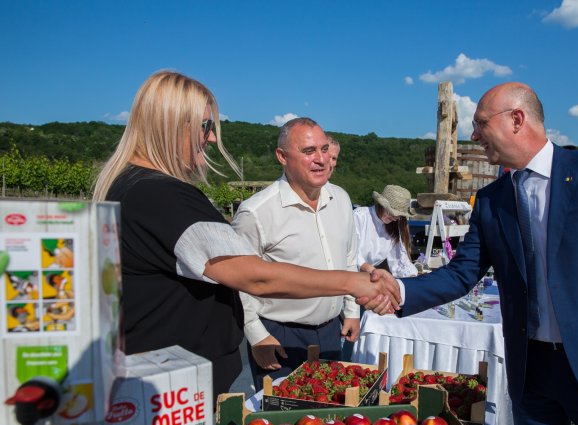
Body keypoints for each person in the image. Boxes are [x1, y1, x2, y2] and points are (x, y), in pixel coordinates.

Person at [364, 82, 578, 425]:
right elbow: (462, 273)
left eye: (479, 124)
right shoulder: (492, 200)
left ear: (516, 119)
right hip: (532, 372)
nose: (472, 135)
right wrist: (399, 289)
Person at [92, 72, 397, 401]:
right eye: (206, 127)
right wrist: (353, 283)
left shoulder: (130, 186)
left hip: (161, 374)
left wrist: (351, 295)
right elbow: (254, 277)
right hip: (171, 387)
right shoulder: (162, 196)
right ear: (172, 125)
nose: (210, 139)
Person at [232, 117, 368, 391]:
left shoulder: (340, 198)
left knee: (329, 419)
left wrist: (352, 311)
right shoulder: (256, 212)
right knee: (279, 423)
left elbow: (349, 256)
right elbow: (237, 283)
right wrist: (257, 336)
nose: (321, 159)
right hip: (279, 337)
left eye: (325, 149)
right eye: (309, 152)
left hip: (331, 333)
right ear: (282, 156)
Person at [354, 185, 418, 279]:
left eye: (397, 216)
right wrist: (367, 267)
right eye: (390, 212)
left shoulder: (393, 225)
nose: (394, 218)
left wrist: (412, 276)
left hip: (370, 275)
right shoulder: (359, 216)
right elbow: (349, 250)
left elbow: (398, 259)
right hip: (349, 273)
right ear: (381, 205)